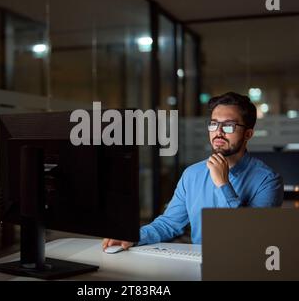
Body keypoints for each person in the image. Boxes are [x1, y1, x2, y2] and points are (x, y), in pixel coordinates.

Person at [102, 91, 284, 251]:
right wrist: (132, 236)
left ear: (248, 134)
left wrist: (223, 184)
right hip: (198, 265)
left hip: (242, 268)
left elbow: (250, 237)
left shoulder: (268, 180)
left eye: (229, 126)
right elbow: (169, 224)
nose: (218, 132)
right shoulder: (192, 174)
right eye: (213, 124)